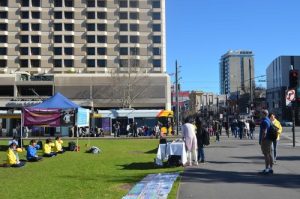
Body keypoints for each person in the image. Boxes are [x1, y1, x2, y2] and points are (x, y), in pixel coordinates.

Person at [259, 109, 273, 174]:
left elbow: (264, 132)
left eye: (261, 114)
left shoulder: (264, 121)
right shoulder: (268, 120)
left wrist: (261, 140)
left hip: (265, 140)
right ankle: (270, 168)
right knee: (269, 154)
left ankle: (267, 169)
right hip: (269, 139)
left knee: (266, 154)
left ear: (264, 114)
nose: (260, 115)